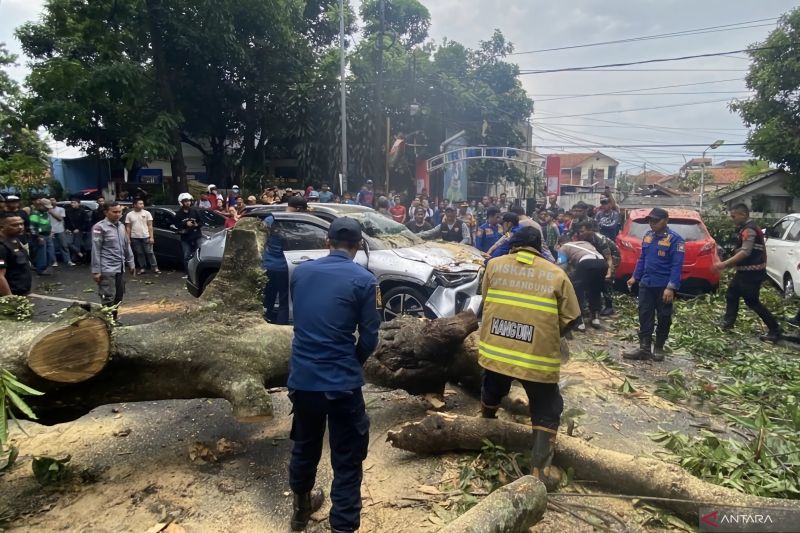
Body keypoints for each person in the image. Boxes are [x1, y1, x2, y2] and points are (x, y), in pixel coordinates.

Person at [287, 217, 380, 533]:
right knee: (347, 458)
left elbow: (301, 319)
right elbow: (369, 337)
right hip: (341, 384)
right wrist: (352, 362)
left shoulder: (301, 273)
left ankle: (300, 512)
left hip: (302, 379)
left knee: (305, 445)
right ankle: (342, 528)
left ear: (327, 242)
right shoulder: (365, 280)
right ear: (358, 246)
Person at [478, 226, 581, 488]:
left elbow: (488, 299)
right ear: (539, 247)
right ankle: (540, 472)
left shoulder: (493, 266)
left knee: (492, 388)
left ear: (512, 245)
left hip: (497, 350)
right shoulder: (556, 274)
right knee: (548, 408)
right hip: (535, 356)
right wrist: (547, 333)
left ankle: (483, 432)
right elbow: (573, 317)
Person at [624, 208, 685, 361]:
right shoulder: (648, 236)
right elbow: (642, 258)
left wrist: (670, 287)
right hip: (646, 283)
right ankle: (644, 348)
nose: (652, 224)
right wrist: (635, 277)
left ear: (666, 220)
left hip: (663, 286)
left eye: (656, 221)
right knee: (645, 314)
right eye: (650, 221)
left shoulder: (676, 240)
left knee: (664, 316)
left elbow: (677, 266)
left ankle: (658, 347)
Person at [714, 204, 782, 342]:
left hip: (752, 273)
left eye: (734, 216)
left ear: (743, 215)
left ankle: (775, 329)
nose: (732, 219)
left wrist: (724, 264)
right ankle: (728, 322)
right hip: (746, 272)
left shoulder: (749, 230)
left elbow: (745, 252)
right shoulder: (748, 228)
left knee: (752, 302)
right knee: (732, 294)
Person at [262, 195, 308, 324]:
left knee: (268, 297)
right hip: (285, 267)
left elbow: (261, 240)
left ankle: (266, 322)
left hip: (269, 265)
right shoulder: (297, 222)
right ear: (299, 209)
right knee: (284, 300)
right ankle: (281, 325)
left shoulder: (270, 219)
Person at [91, 202, 135, 323]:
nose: (118, 214)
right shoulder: (99, 227)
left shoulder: (121, 226)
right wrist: (96, 271)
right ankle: (107, 322)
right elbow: (96, 249)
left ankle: (114, 320)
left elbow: (127, 245)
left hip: (120, 267)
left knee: (119, 296)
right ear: (106, 212)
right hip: (106, 268)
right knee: (108, 297)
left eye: (119, 212)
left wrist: (131, 263)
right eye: (114, 212)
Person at [557, 233, 608, 330]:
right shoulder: (584, 243)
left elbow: (561, 266)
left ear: (560, 243)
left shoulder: (563, 247)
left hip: (586, 263)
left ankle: (579, 321)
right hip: (602, 263)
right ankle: (595, 318)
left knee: (578, 291)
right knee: (595, 290)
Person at [0, 213, 33, 296]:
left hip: (21, 292)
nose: (20, 227)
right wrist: (10, 298)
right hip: (11, 295)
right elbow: (0, 276)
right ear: (2, 227)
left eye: (21, 224)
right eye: (14, 225)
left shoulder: (14, 239)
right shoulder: (1, 247)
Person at [125, 199, 160, 274]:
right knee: (139, 253)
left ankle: (155, 267)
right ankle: (142, 267)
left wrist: (151, 237)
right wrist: (128, 238)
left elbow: (150, 226)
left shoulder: (147, 213)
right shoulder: (129, 214)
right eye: (140, 203)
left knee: (150, 252)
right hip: (135, 237)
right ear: (134, 205)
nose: (142, 205)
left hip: (146, 236)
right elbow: (128, 227)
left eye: (142, 203)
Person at [174, 193, 204, 270]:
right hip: (186, 238)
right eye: (185, 201)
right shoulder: (178, 214)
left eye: (189, 201)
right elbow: (176, 225)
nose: (188, 203)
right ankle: (188, 272)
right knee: (186, 255)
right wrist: (185, 223)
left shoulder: (195, 211)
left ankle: (199, 270)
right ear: (181, 202)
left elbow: (201, 222)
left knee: (200, 252)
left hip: (197, 235)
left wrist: (197, 225)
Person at [29, 199, 54, 275]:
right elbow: (32, 227)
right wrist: (38, 236)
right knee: (41, 254)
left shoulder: (45, 213)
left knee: (50, 253)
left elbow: (47, 224)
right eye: (46, 207)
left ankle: (47, 267)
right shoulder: (34, 214)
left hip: (47, 235)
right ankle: (40, 270)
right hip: (40, 236)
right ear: (40, 205)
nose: (48, 208)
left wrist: (50, 232)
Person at [48, 198, 71, 266]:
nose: (52, 201)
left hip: (60, 229)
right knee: (52, 247)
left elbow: (60, 219)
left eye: (53, 200)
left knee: (64, 245)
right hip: (50, 230)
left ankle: (68, 260)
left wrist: (51, 212)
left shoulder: (61, 209)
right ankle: (54, 261)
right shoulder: (46, 210)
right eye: (50, 200)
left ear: (56, 201)